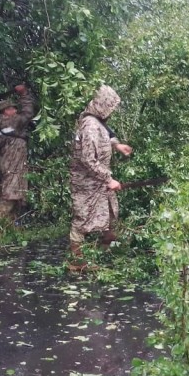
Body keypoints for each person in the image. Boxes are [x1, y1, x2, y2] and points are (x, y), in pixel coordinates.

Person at [68, 85, 132, 269]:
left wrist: (117, 145)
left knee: (111, 212)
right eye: (110, 106)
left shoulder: (97, 122)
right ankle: (77, 261)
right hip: (87, 183)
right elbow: (87, 159)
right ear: (101, 104)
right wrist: (108, 179)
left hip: (99, 180)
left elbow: (105, 136)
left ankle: (105, 248)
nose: (111, 111)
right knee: (83, 219)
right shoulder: (89, 126)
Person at [0, 84, 34, 236]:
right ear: (5, 111)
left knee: (16, 193)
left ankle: (9, 226)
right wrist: (24, 94)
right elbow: (28, 113)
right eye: (12, 108)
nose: (15, 111)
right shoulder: (10, 121)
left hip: (9, 162)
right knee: (10, 194)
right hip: (13, 163)